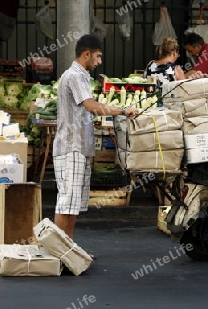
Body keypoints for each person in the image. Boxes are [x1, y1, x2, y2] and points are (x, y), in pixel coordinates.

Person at [53, 34, 139, 240]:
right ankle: (58, 250)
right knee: (66, 203)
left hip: (80, 148)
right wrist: (121, 110)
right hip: (71, 147)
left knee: (73, 204)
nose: (99, 62)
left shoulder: (82, 76)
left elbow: (85, 110)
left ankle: (69, 247)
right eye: (98, 57)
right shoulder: (73, 75)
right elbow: (90, 106)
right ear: (86, 54)